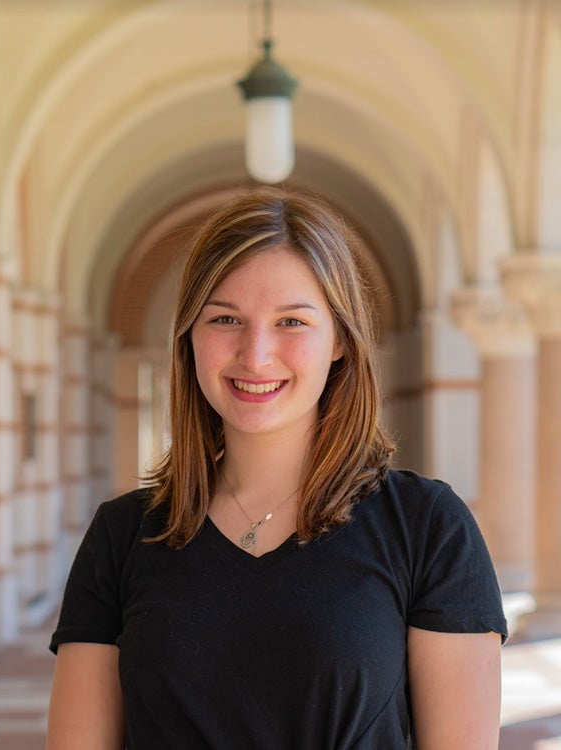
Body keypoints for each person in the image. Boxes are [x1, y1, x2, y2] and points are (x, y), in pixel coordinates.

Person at [47, 187, 508, 749]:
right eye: (225, 318)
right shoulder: (121, 537)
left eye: (291, 321)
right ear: (189, 337)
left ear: (340, 339)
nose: (256, 353)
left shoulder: (428, 528)